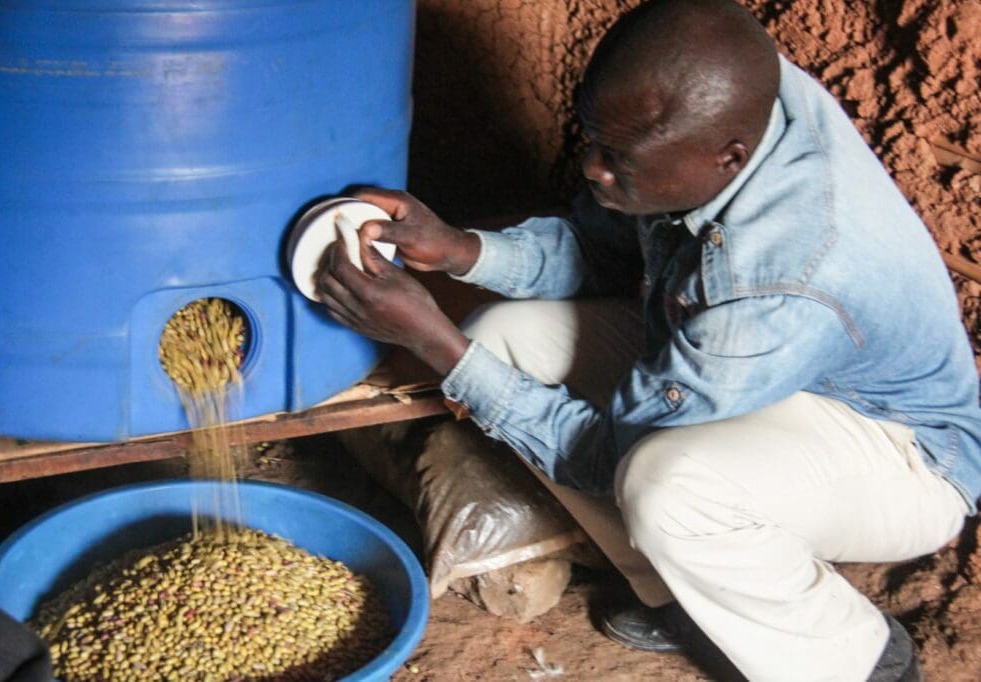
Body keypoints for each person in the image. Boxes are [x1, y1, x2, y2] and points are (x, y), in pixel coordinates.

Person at [315, 0, 981, 679]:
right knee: (506, 334)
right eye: (592, 140)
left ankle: (860, 660)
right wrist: (461, 251)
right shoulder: (719, 107)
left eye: (618, 158)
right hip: (773, 375)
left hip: (905, 455)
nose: (593, 170)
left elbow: (606, 459)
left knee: (666, 486)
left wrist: (434, 344)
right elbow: (603, 253)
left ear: (729, 157)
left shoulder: (779, 275)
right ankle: (678, 600)